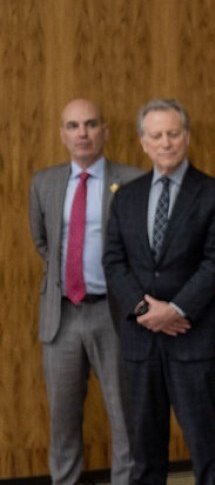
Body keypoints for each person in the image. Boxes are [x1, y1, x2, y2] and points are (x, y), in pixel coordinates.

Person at [104, 99, 215, 485]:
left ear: (187, 137)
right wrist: (147, 309)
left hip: (192, 339)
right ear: (143, 142)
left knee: (205, 448)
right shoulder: (126, 196)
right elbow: (113, 261)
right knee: (144, 450)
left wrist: (176, 309)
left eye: (173, 133)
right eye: (156, 135)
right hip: (140, 339)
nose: (166, 142)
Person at [28, 99, 139, 485]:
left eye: (91, 124)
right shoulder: (44, 182)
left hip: (114, 314)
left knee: (125, 416)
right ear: (62, 134)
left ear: (105, 130)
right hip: (62, 316)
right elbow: (44, 244)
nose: (82, 133)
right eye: (73, 126)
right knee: (62, 418)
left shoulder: (133, 180)